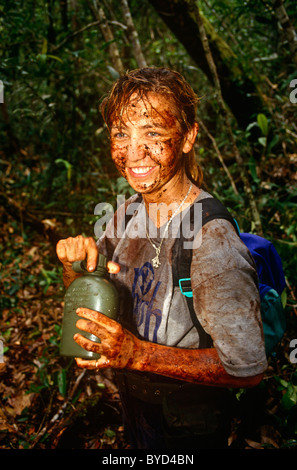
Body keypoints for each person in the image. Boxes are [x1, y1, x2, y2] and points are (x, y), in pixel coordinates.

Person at [56, 67, 268, 449]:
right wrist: (75, 268)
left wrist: (137, 355)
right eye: (121, 133)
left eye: (152, 133)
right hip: (136, 407)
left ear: (188, 137)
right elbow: (92, 300)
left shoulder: (212, 240)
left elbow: (248, 369)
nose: (133, 152)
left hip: (188, 425)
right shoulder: (127, 214)